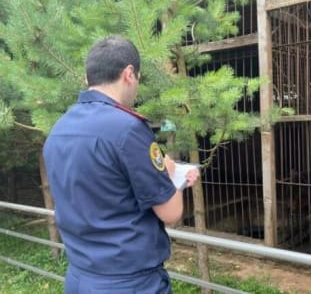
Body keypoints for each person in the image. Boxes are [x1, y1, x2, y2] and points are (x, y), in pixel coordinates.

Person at [43, 35, 199, 294]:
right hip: (129, 283)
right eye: (137, 78)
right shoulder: (128, 129)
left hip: (80, 278)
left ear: (87, 78)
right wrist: (174, 176)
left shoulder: (58, 130)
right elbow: (170, 214)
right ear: (129, 74)